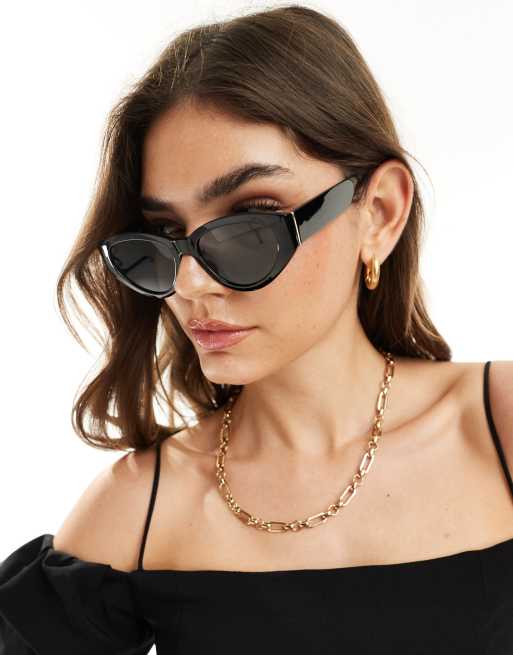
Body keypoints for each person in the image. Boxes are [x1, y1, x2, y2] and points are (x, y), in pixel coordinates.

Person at [1, 4, 512, 654]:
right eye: (165, 234)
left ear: (380, 213)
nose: (191, 283)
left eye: (251, 221)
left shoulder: (497, 425)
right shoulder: (142, 507)